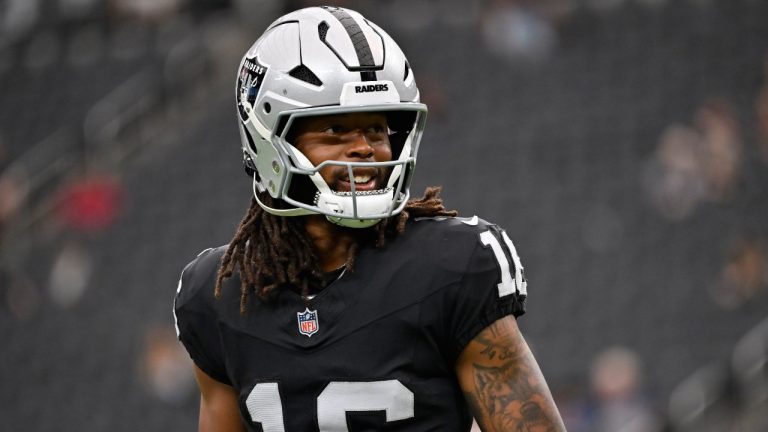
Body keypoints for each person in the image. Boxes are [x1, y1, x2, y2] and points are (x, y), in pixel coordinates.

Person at [173, 6, 565, 432]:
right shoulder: (219, 292)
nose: (365, 149)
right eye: (334, 131)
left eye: (377, 130)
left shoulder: (450, 265)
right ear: (270, 142)